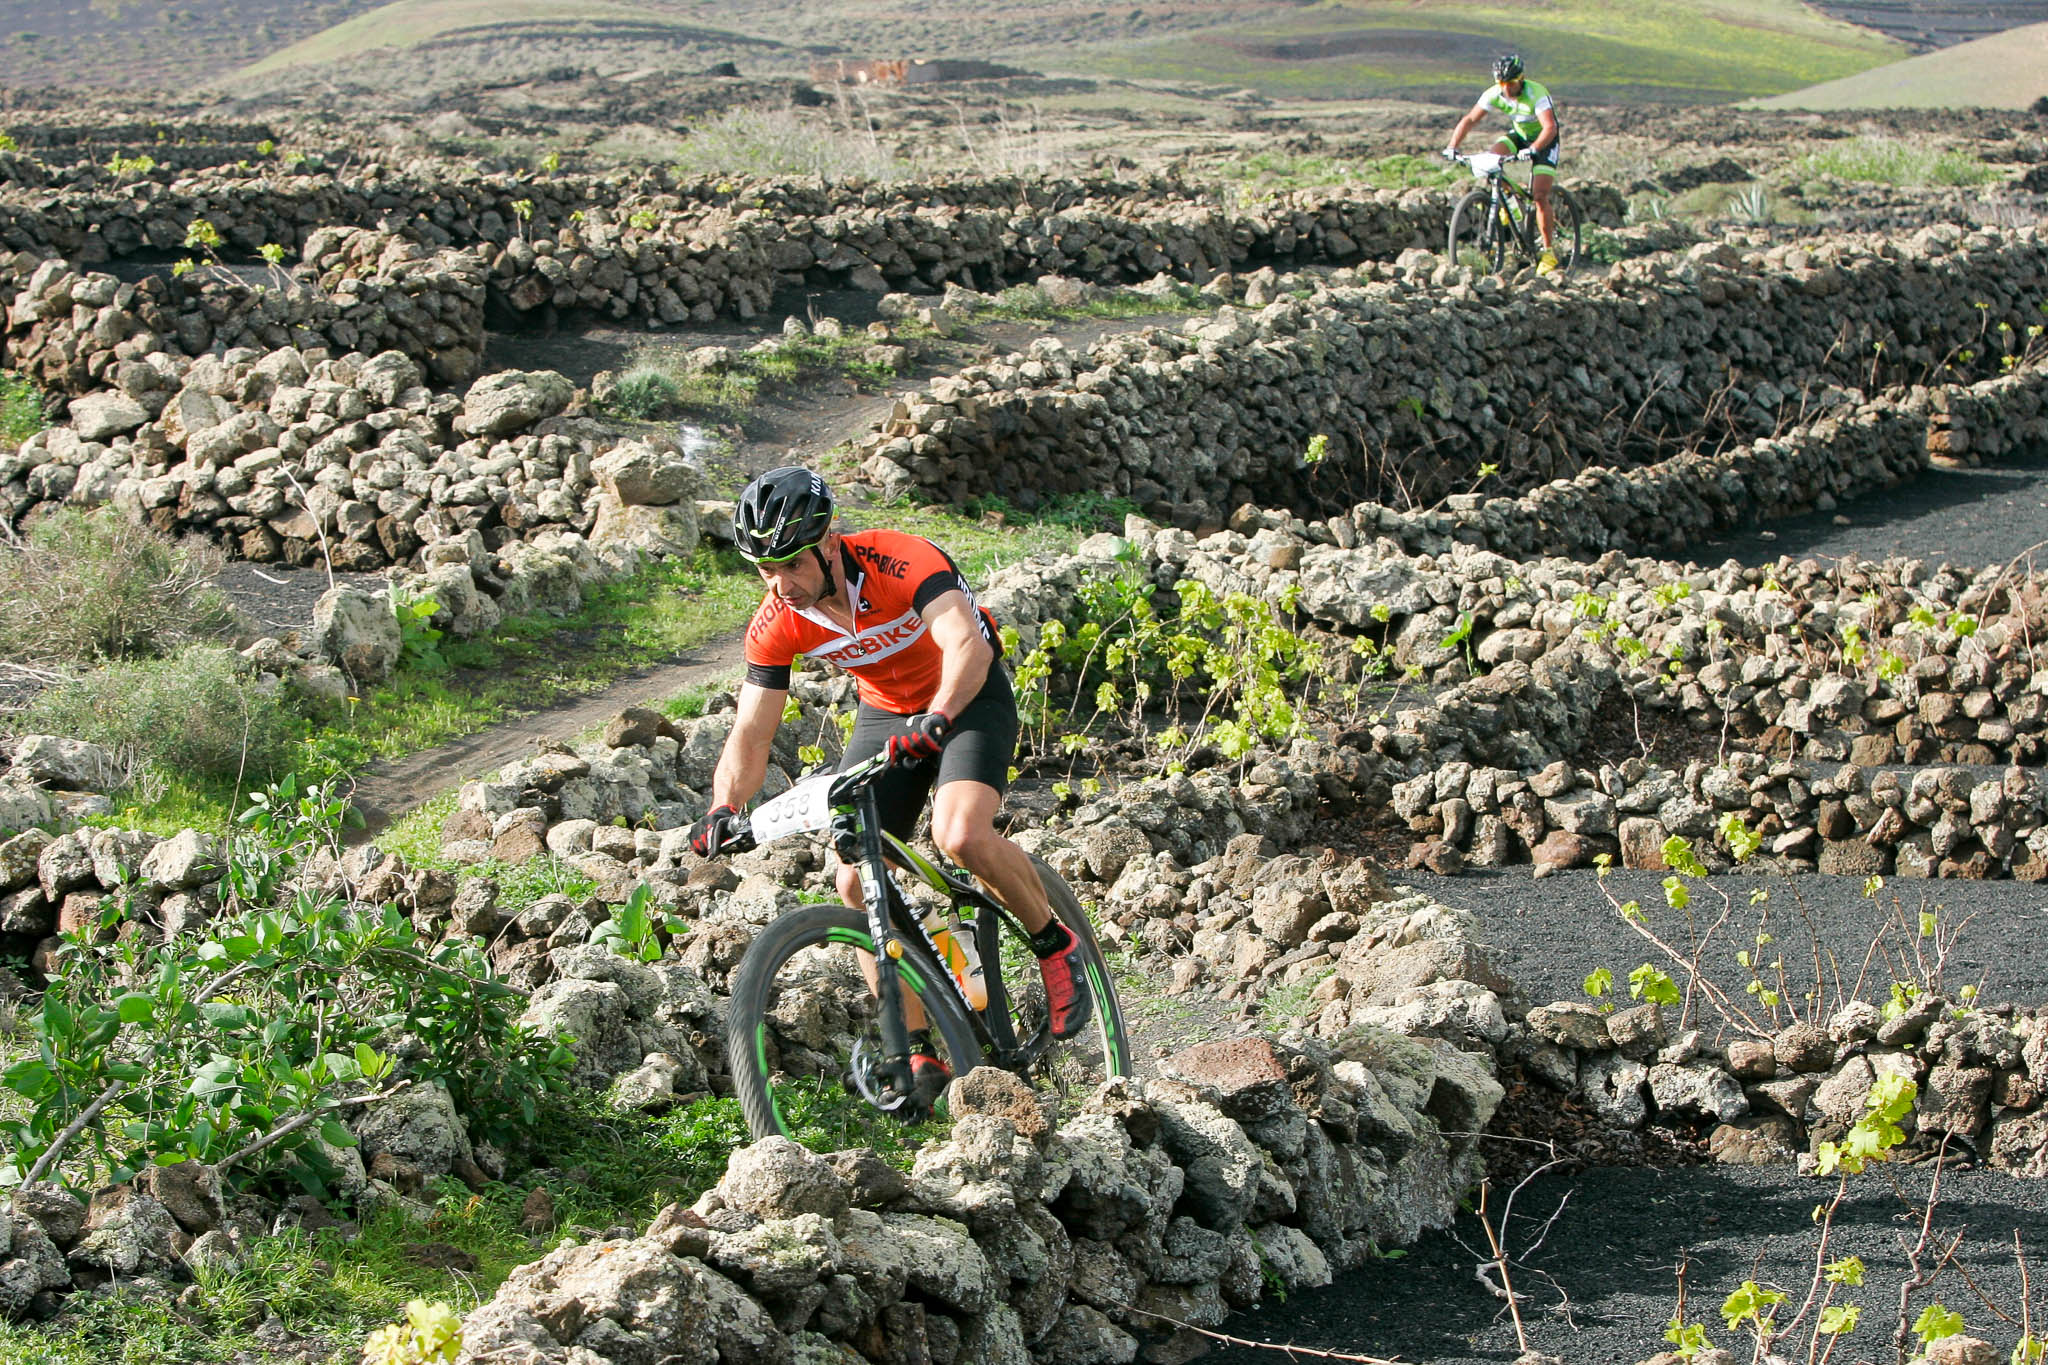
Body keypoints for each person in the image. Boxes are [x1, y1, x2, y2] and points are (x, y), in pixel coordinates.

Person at [690, 466, 1093, 1100]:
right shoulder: (780, 619)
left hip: (967, 693)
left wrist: (938, 716)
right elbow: (752, 731)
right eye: (763, 569)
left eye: (790, 564)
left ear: (828, 543)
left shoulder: (900, 561)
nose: (779, 584)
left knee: (958, 833)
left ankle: (1054, 941)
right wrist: (724, 805)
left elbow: (968, 645)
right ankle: (922, 1051)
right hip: (887, 713)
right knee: (853, 877)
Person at [1444, 53, 1564, 275]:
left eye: (1510, 84)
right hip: (1519, 135)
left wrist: (1534, 149)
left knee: (1539, 196)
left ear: (1521, 79)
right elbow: (1470, 119)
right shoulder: (1495, 93)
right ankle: (1508, 203)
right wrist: (1453, 146)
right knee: (1492, 161)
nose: (1506, 89)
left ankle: (1549, 251)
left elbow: (1550, 127)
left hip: (1545, 141)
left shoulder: (1536, 94)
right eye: (1502, 84)